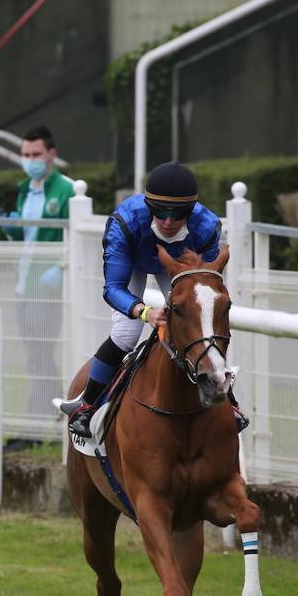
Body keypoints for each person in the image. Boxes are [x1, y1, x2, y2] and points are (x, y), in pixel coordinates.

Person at [67, 161, 248, 438]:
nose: (167, 221)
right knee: (127, 333)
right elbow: (112, 288)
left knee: (197, 323)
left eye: (178, 214)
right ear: (148, 206)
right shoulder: (124, 222)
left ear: (191, 211)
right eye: (159, 211)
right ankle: (87, 404)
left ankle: (227, 401)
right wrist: (144, 312)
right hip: (134, 262)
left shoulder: (207, 227)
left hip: (178, 264)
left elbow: (208, 284)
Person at [0, 126, 71, 452]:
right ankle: (61, 414)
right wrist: (11, 230)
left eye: (35, 155)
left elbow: (78, 238)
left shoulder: (67, 191)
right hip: (24, 284)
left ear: (51, 155)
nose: (30, 161)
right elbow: (25, 239)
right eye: (25, 155)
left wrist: (59, 269)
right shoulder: (24, 190)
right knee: (35, 356)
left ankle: (34, 428)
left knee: (39, 354)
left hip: (48, 286)